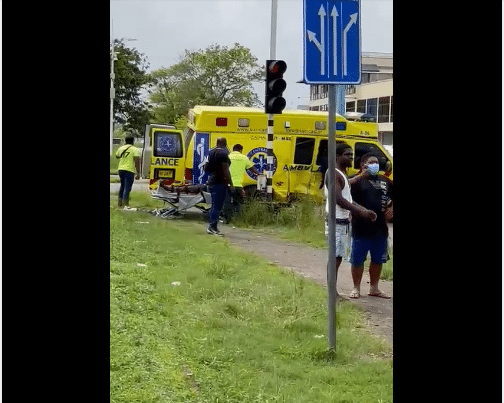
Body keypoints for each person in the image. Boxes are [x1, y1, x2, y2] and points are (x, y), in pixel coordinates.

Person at [324, 143, 377, 296]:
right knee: (335, 258)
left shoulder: (341, 174)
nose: (351, 157)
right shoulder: (333, 173)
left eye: (352, 155)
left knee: (338, 257)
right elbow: (338, 199)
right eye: (347, 155)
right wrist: (360, 212)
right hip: (336, 221)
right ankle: (332, 294)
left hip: (342, 221)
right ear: (338, 156)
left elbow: (347, 198)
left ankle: (333, 293)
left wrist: (363, 210)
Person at [348, 152, 393, 299]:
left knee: (378, 259)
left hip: (380, 229)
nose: (375, 165)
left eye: (377, 163)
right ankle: (356, 288)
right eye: (371, 162)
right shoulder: (356, 181)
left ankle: (374, 288)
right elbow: (344, 195)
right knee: (357, 259)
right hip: (360, 228)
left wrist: (392, 207)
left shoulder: (385, 181)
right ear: (363, 165)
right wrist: (362, 175)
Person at [222, 144, 261, 223]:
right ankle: (238, 220)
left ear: (233, 150)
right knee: (238, 203)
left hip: (228, 185)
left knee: (227, 202)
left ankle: (227, 220)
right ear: (241, 150)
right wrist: (259, 174)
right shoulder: (244, 158)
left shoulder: (227, 157)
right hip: (239, 185)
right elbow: (251, 168)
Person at [205, 137, 234, 235]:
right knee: (217, 207)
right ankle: (213, 227)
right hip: (220, 182)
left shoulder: (211, 152)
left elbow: (206, 168)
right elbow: (225, 170)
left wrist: (214, 171)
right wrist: (229, 184)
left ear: (217, 143)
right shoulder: (223, 154)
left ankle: (211, 226)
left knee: (214, 206)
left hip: (212, 181)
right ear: (225, 144)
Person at [115, 135, 141, 210]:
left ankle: (120, 203)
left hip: (121, 169)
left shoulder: (121, 148)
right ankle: (125, 204)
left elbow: (117, 156)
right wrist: (138, 173)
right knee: (127, 187)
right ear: (133, 141)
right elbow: (137, 162)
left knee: (122, 186)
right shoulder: (135, 149)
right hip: (129, 170)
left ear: (125, 141)